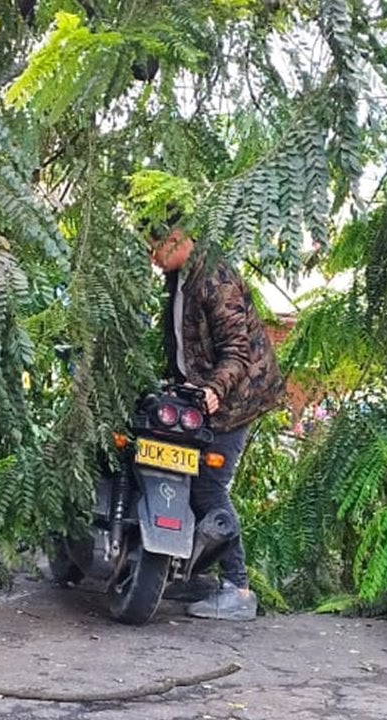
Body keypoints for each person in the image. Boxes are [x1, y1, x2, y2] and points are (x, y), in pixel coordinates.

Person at [144, 209, 286, 621]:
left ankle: (238, 588)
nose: (152, 257)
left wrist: (214, 390)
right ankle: (192, 573)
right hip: (199, 397)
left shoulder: (215, 278)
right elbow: (185, 343)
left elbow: (237, 351)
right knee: (183, 482)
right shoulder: (179, 277)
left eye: (155, 248)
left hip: (235, 400)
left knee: (208, 485)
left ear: (177, 239)